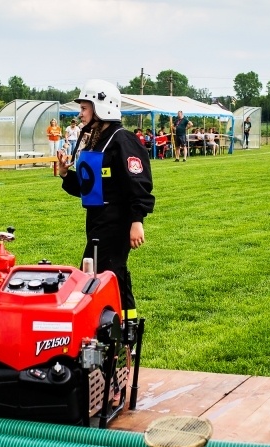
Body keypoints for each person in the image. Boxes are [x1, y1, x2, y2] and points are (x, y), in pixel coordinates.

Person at [56, 79, 155, 322]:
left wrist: (137, 220)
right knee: (107, 273)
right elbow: (90, 187)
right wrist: (66, 174)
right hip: (97, 220)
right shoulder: (98, 140)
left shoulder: (122, 140)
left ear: (101, 107)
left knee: (104, 274)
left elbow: (138, 183)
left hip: (116, 221)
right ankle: (119, 327)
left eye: (84, 108)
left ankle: (122, 328)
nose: (80, 114)